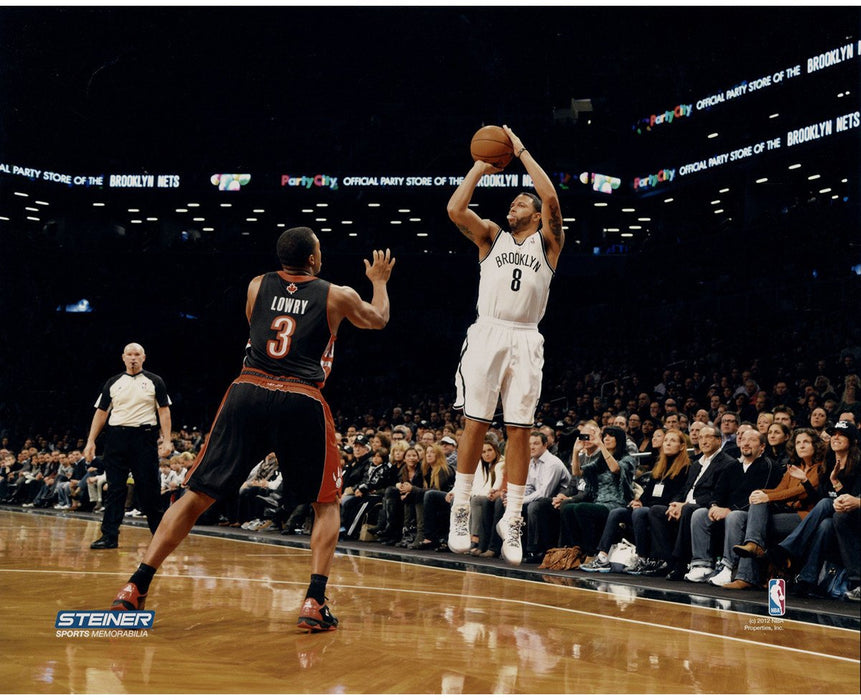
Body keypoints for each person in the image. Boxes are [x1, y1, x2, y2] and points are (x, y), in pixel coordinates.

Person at [108, 227, 395, 633]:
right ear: (314, 259)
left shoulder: (257, 285)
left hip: (248, 390)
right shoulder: (337, 293)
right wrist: (379, 283)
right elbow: (378, 319)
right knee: (326, 502)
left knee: (195, 496)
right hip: (301, 396)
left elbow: (254, 327)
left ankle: (135, 586)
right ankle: (314, 600)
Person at [446, 125, 564, 566]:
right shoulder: (491, 236)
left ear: (534, 216)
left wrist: (521, 151)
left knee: (520, 428)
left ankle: (511, 518)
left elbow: (551, 200)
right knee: (475, 421)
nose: (512, 204)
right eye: (512, 202)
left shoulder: (549, 242)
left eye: (520, 202)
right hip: (489, 331)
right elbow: (456, 208)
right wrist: (481, 165)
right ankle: (461, 507)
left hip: (526, 336)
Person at [84, 342, 174, 549]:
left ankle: (159, 536)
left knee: (148, 488)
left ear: (144, 357)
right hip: (116, 438)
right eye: (129, 354)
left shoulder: (155, 381)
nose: (133, 357)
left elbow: (164, 411)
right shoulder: (113, 382)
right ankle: (109, 536)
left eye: (137, 354)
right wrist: (91, 441)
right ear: (123, 357)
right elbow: (101, 412)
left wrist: (167, 439)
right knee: (115, 488)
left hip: (144, 437)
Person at [718, 428, 825, 589]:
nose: (801, 446)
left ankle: (747, 573)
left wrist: (767, 496)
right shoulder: (794, 468)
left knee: (757, 514)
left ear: (815, 446)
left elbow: (798, 492)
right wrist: (760, 493)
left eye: (806, 442)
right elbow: (779, 490)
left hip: (806, 517)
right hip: (787, 514)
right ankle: (751, 553)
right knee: (758, 503)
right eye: (798, 443)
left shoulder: (820, 468)